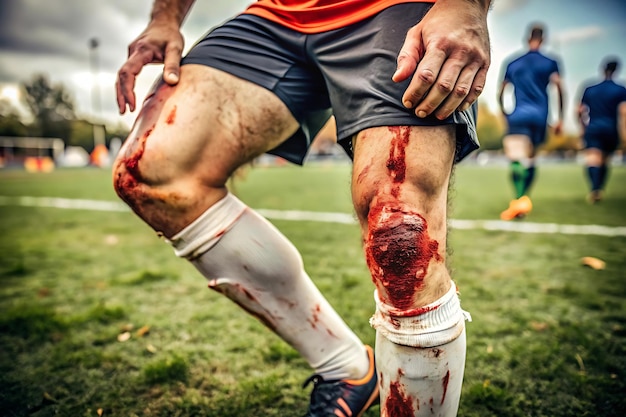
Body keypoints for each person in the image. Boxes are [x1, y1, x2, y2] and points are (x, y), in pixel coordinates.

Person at [114, 0, 491, 416]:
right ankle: (346, 368)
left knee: (400, 233)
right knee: (148, 173)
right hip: (278, 15)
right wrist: (164, 19)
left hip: (399, 8)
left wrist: (468, 6)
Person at [497, 23, 564, 220]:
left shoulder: (513, 62)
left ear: (527, 39)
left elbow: (501, 91)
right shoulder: (551, 62)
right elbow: (559, 87)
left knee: (516, 159)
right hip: (540, 116)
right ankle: (524, 199)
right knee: (531, 160)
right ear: (543, 40)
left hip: (518, 114)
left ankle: (519, 199)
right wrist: (559, 117)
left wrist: (503, 111)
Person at [577, 57, 626, 203]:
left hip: (593, 127)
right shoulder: (620, 90)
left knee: (593, 159)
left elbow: (580, 110)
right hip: (611, 129)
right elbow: (623, 112)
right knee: (604, 160)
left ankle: (594, 188)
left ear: (602, 69)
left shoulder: (590, 88)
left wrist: (582, 127)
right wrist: (624, 134)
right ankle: (599, 189)